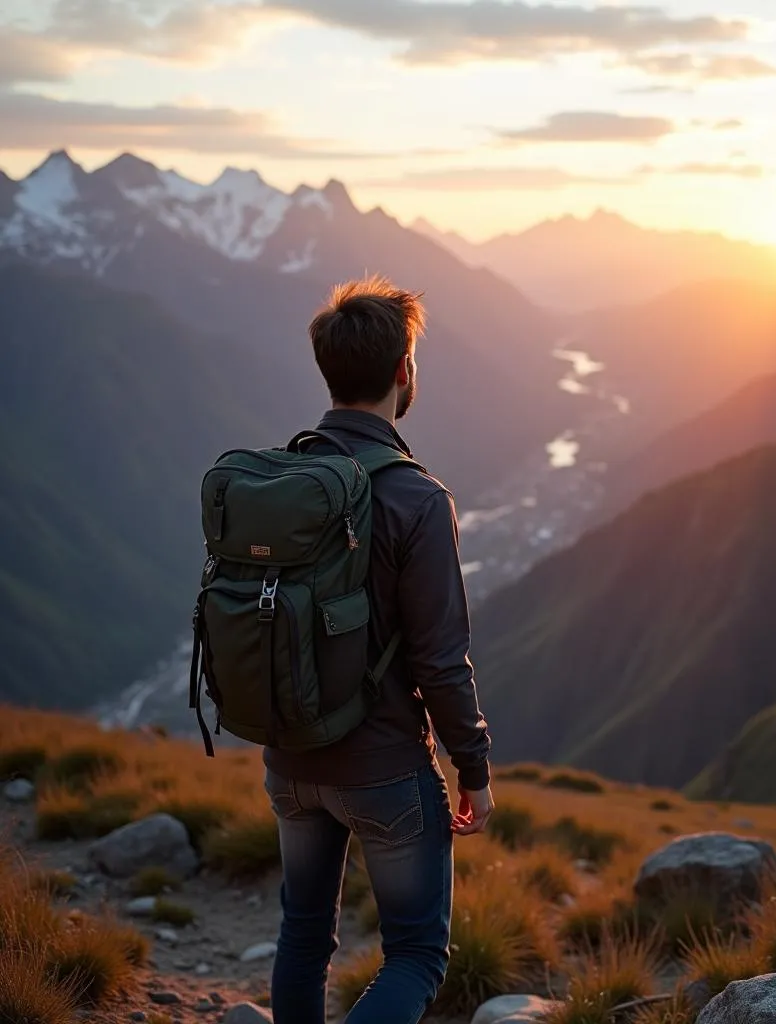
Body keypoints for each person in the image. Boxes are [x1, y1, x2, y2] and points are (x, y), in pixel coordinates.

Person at [262, 276, 494, 1024]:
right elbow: (440, 660)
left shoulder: (283, 479)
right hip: (385, 769)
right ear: (404, 372)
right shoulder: (417, 499)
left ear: (330, 371)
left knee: (302, 935)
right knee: (417, 956)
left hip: (290, 760)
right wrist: (474, 767)